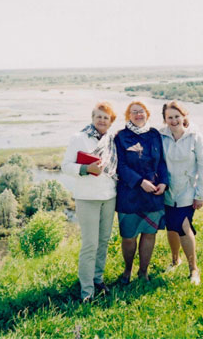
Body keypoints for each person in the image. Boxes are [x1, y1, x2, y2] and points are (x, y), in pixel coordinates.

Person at [61, 102, 118, 302]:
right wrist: (86, 170)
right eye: (99, 116)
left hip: (109, 197)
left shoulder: (113, 139)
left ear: (111, 121)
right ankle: (87, 291)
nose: (102, 120)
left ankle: (98, 279)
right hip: (87, 198)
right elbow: (66, 166)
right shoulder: (79, 138)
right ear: (93, 118)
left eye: (106, 117)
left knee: (103, 242)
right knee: (90, 244)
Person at [114, 101, 168, 283]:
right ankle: (127, 270)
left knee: (149, 234)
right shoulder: (120, 137)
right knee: (129, 237)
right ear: (128, 116)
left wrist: (164, 183)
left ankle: (143, 272)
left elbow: (161, 162)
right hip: (129, 196)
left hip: (153, 195)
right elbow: (119, 166)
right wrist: (139, 182)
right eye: (134, 112)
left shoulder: (155, 135)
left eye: (141, 111)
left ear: (147, 114)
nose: (138, 115)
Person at [159, 101, 203, 285]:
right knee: (171, 227)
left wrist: (200, 194)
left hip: (188, 190)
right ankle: (175, 260)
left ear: (183, 116)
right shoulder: (160, 136)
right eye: (169, 117)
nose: (173, 121)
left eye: (176, 116)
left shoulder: (195, 137)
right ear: (165, 119)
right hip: (166, 190)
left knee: (183, 226)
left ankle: (194, 270)